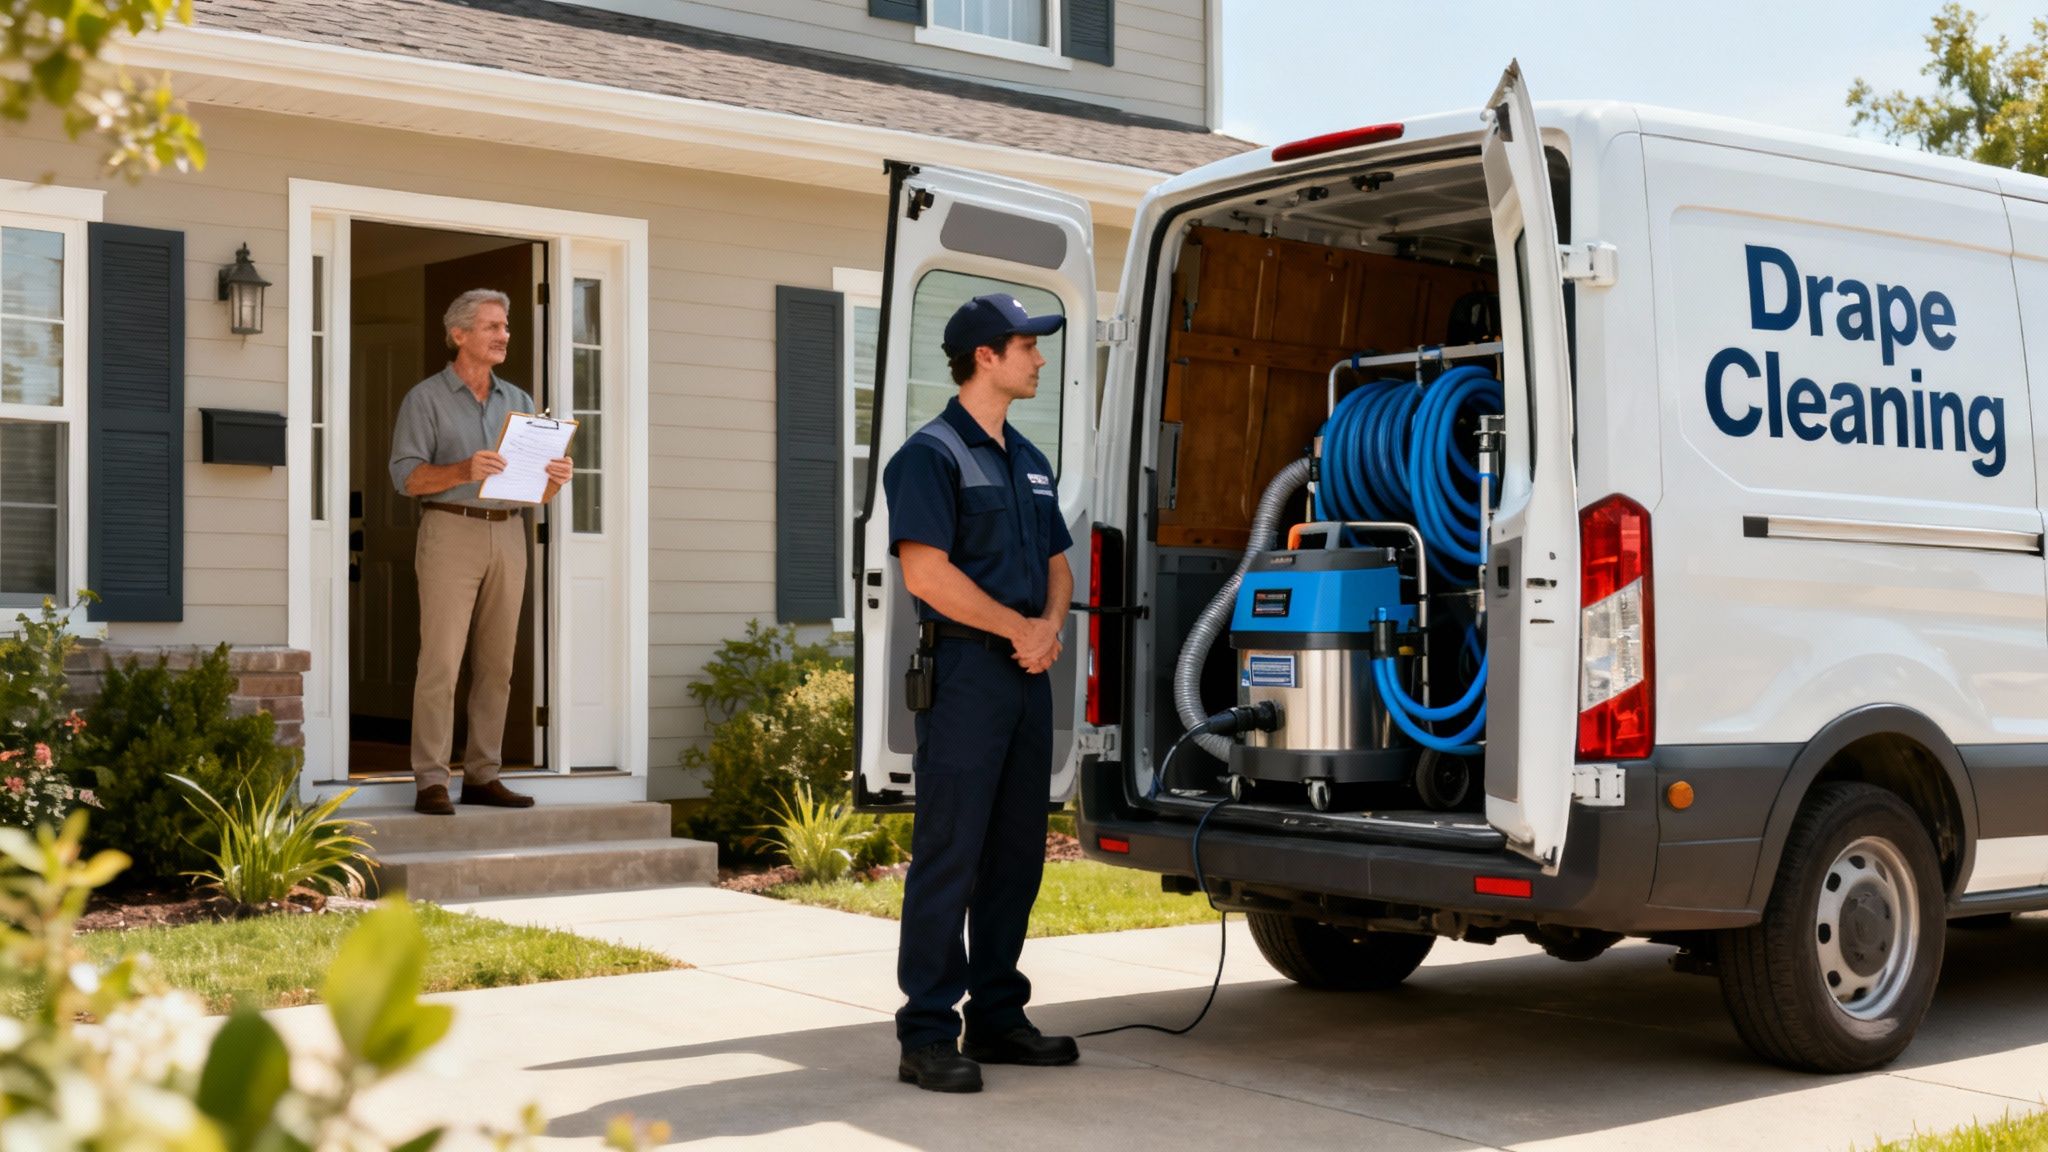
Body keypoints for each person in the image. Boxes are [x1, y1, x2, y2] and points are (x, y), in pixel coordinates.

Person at [884, 293, 1079, 1093]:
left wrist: (1047, 629)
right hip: (967, 673)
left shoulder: (1029, 458)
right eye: (1026, 345)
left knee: (1014, 856)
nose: (1039, 358)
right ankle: (927, 1031)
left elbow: (1059, 566)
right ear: (984, 357)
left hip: (1027, 673)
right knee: (950, 852)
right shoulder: (928, 455)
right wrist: (1016, 629)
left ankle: (997, 1017)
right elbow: (926, 573)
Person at [388, 288, 573, 816]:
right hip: (451, 531)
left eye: (506, 326)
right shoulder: (425, 399)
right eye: (493, 326)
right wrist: (462, 470)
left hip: (509, 533)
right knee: (441, 662)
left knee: (497, 664)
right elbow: (406, 477)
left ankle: (482, 775)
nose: (504, 335)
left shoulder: (519, 401)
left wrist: (555, 481)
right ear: (460, 334)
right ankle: (430, 780)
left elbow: (532, 487)